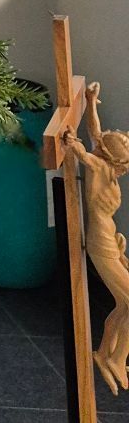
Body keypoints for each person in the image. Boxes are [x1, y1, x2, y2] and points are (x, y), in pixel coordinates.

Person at [66, 81, 129, 394]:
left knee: (124, 304)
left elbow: (96, 134)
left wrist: (91, 101)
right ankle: (116, 358)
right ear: (114, 160)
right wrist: (72, 144)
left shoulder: (106, 166)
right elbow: (86, 153)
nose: (124, 170)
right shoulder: (101, 168)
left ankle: (106, 354)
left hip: (110, 242)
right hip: (100, 244)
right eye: (124, 164)